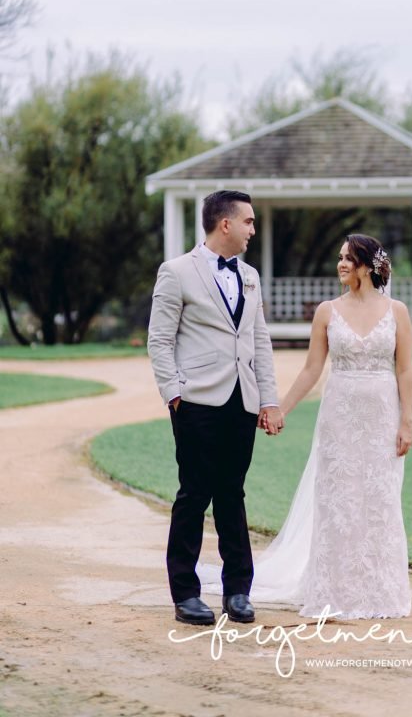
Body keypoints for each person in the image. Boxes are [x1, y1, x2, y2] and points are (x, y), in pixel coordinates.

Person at [251, 233, 412, 619]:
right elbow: (312, 369)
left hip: (382, 417)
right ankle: (335, 589)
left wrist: (407, 421)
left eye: (347, 258)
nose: (341, 264)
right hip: (338, 417)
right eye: (339, 257)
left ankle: (378, 590)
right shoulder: (327, 311)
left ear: (367, 265)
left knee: (379, 500)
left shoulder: (397, 312)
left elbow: (405, 369)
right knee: (339, 500)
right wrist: (280, 408)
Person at [147, 189, 284, 627]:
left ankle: (238, 591)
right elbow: (160, 339)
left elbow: (258, 339)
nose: (252, 230)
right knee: (194, 494)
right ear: (225, 223)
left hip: (241, 401)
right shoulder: (176, 272)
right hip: (196, 402)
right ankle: (185, 594)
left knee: (232, 494)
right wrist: (174, 393)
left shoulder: (250, 276)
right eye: (248, 221)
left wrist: (268, 397)